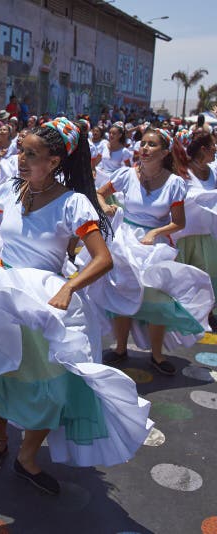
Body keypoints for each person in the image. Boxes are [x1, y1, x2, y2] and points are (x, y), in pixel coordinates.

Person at [0, 118, 150, 495]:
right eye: (21, 151)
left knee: (48, 387)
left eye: (32, 154)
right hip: (1, 294)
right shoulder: (12, 189)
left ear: (56, 160)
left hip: (44, 303)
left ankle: (27, 457)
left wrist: (69, 287)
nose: (22, 159)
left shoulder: (74, 202)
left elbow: (101, 259)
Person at [97, 128, 211, 375]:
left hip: (154, 246)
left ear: (165, 152)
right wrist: (106, 207)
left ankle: (157, 356)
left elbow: (179, 222)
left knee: (157, 299)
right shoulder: (127, 174)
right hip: (125, 241)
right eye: (143, 143)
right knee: (122, 290)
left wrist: (155, 233)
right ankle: (120, 349)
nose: (145, 148)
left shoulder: (174, 183)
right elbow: (99, 193)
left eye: (152, 145)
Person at [171, 129, 217, 329]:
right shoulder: (182, 173)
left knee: (209, 277)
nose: (216, 149)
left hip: (208, 235)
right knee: (183, 279)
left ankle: (208, 314)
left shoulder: (214, 171)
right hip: (183, 235)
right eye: (213, 146)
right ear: (204, 149)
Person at [94, 123, 132, 188]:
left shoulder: (124, 151)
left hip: (114, 179)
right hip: (101, 176)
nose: (111, 135)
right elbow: (96, 161)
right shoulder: (103, 145)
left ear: (120, 135)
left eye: (114, 133)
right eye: (110, 133)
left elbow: (128, 168)